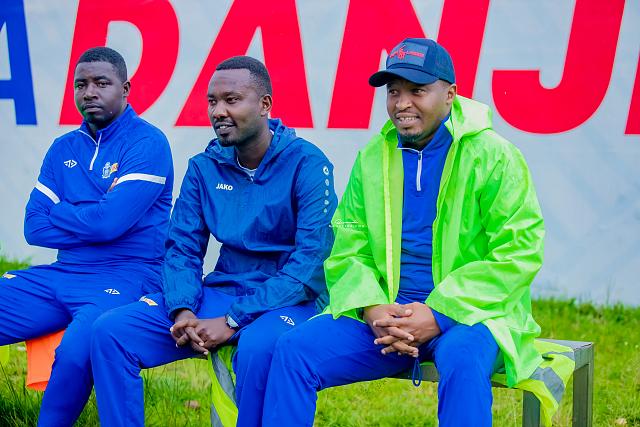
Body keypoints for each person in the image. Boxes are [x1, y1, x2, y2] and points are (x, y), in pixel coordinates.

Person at [262, 38, 545, 426]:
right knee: (295, 350)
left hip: (472, 316)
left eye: (417, 91)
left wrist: (439, 314)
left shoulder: (494, 156)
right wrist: (373, 308)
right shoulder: (373, 158)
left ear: (450, 95)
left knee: (463, 358)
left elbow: (518, 252)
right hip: (388, 319)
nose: (402, 103)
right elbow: (349, 247)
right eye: (394, 91)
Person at [90, 56, 338, 427]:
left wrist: (233, 320)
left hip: (290, 298)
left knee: (258, 347)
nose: (218, 111)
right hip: (223, 291)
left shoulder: (308, 163)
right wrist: (183, 310)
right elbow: (182, 249)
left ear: (265, 105)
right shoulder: (203, 167)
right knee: (111, 332)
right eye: (212, 101)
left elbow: (310, 266)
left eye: (231, 100)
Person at [0, 46, 174, 426]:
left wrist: (64, 211)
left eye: (101, 83)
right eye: (81, 84)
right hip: (65, 273)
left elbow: (107, 224)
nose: (89, 92)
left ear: (125, 89)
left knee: (77, 351)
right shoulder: (63, 147)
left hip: (127, 275)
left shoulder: (148, 144)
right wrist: (97, 217)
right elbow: (33, 227)